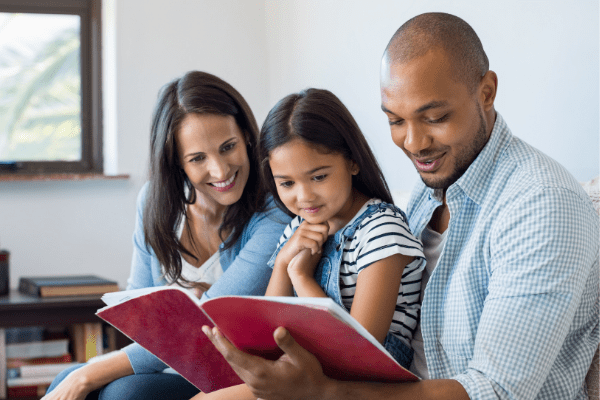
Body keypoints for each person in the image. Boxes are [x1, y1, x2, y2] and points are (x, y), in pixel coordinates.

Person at [203, 12, 600, 400]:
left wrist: (325, 392)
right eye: (395, 121)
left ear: (486, 93)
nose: (413, 143)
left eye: (435, 117)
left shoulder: (542, 206)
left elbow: (494, 391)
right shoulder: (430, 191)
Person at [43, 70, 290, 400]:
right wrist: (84, 374)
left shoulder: (273, 212)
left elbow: (206, 325)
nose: (220, 170)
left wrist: (91, 371)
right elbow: (137, 305)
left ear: (246, 135)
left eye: (227, 147)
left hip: (233, 375)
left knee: (121, 393)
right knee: (66, 377)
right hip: (168, 364)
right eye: (198, 158)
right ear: (178, 163)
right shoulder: (154, 202)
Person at [194, 88, 425, 400]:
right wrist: (281, 265)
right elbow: (270, 336)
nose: (304, 197)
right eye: (287, 183)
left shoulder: (381, 231)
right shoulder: (299, 227)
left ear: (353, 162)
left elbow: (358, 353)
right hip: (310, 369)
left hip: (363, 386)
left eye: (318, 177)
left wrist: (300, 277)